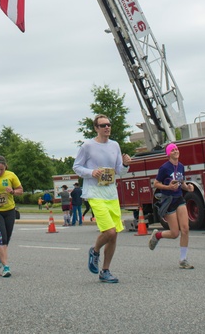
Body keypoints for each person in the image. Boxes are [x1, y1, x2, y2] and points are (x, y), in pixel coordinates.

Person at [73, 114, 132, 284]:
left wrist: (126, 164)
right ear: (96, 128)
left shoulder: (115, 145)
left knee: (114, 236)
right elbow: (76, 166)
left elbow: (119, 171)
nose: (107, 127)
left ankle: (105, 271)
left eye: (109, 124)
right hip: (94, 193)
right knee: (109, 231)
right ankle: (95, 250)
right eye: (103, 125)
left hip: (111, 193)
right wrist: (91, 172)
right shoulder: (88, 146)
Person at [147, 142, 196, 269]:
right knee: (175, 233)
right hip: (168, 200)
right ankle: (157, 235)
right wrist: (168, 187)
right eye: (173, 150)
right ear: (168, 153)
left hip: (179, 198)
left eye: (177, 149)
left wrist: (188, 187)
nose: (176, 151)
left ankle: (183, 259)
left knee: (185, 229)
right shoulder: (164, 168)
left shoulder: (181, 166)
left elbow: (182, 183)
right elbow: (156, 183)